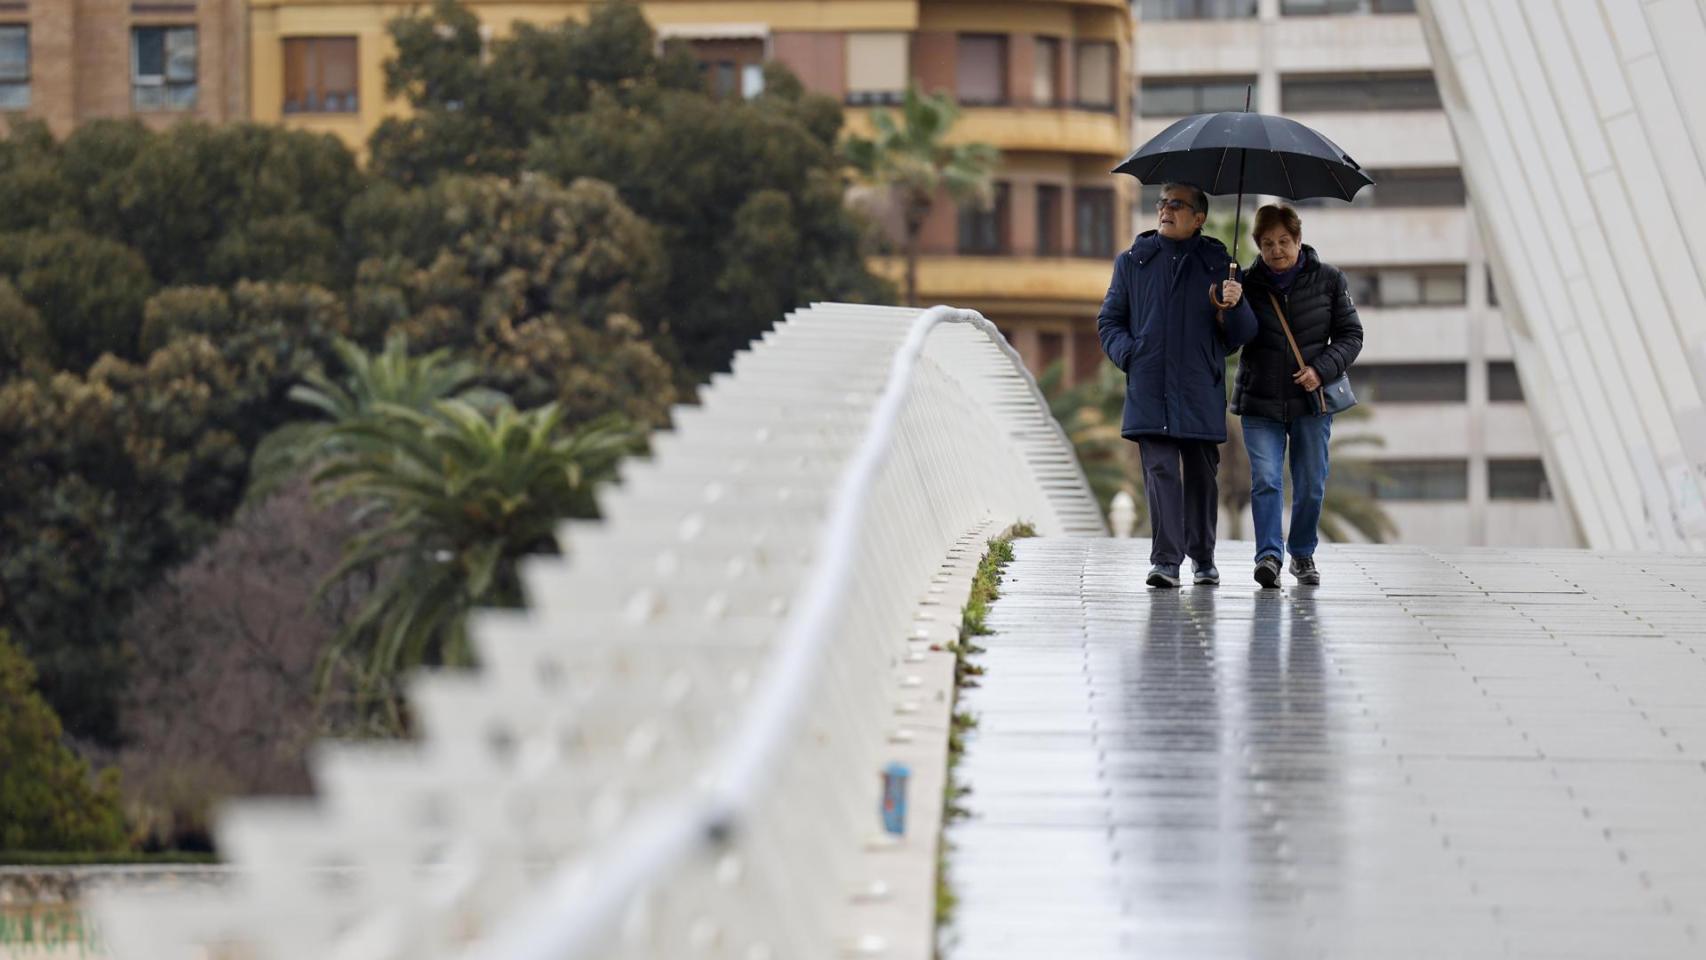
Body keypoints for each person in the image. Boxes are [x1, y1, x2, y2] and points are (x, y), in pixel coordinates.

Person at [1097, 182, 1257, 589]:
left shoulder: (1219, 263)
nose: (1165, 210)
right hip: (1150, 384)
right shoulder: (1132, 261)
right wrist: (1130, 355)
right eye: (1162, 203)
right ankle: (1166, 561)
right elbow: (1109, 321)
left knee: (1203, 475)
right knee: (1161, 470)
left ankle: (1203, 557)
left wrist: (1235, 304)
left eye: (1177, 204)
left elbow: (1240, 335)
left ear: (1198, 217)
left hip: (1199, 385)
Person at [1232, 204, 1363, 588]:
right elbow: (1233, 340)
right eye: (1268, 243)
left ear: (1298, 239)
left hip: (1311, 402)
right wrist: (1232, 303)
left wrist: (1320, 370)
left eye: (1284, 242)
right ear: (1257, 245)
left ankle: (1302, 553)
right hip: (1260, 400)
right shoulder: (1245, 284)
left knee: (1310, 483)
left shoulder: (1329, 280)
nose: (1277, 250)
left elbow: (1351, 336)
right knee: (1267, 479)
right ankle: (1269, 556)